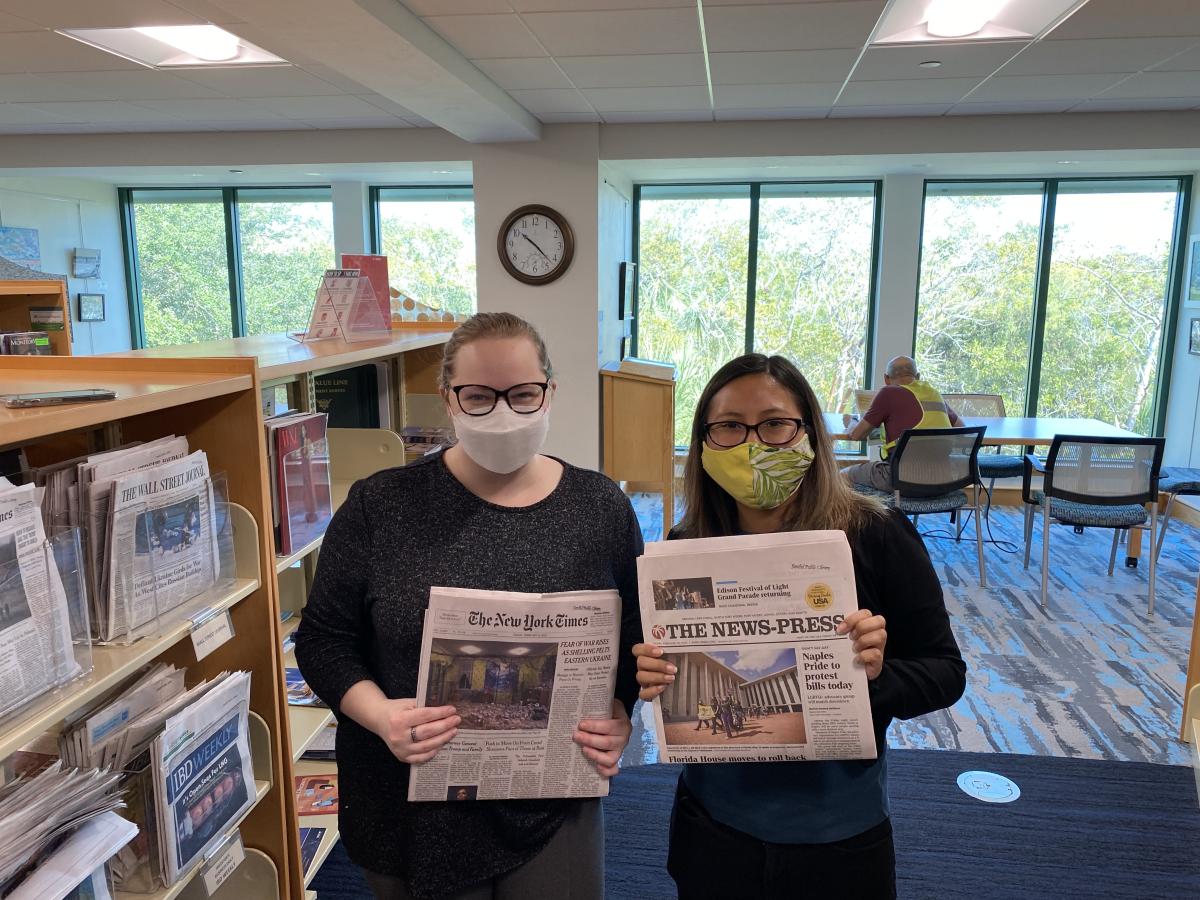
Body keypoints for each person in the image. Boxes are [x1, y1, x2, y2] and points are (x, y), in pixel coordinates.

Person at [295, 312, 643, 900]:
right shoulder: (381, 505)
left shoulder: (598, 506)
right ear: (448, 400)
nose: (504, 413)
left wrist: (619, 713)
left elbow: (633, 640)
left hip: (551, 794)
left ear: (550, 392)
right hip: (409, 795)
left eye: (524, 394)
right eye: (479, 396)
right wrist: (382, 716)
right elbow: (323, 640)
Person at [634, 353, 965, 900]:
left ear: (807, 431)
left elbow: (946, 672)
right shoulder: (684, 546)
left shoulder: (876, 533)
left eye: (775, 424)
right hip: (713, 824)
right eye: (729, 427)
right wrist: (651, 672)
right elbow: (662, 668)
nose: (752, 443)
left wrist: (870, 678)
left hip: (837, 833)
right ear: (704, 442)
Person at [841, 355, 965, 492]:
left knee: (842, 475)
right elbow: (961, 428)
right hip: (943, 481)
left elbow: (856, 434)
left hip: (902, 481)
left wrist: (851, 422)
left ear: (886, 379)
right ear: (917, 376)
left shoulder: (888, 393)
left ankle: (865, 513)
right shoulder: (933, 393)